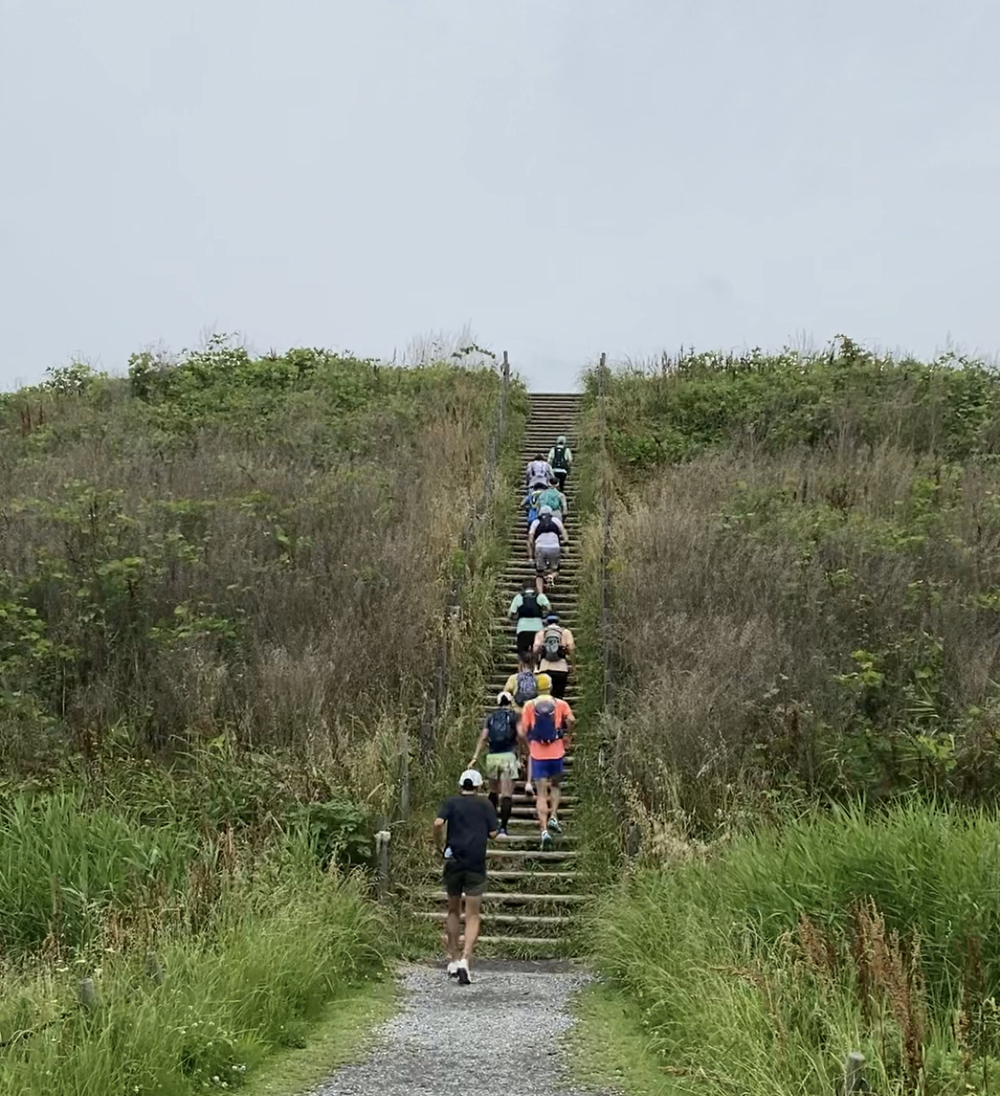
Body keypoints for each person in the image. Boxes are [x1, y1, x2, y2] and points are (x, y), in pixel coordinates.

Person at [434, 769, 498, 985]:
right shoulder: (485, 805)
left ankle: (452, 958)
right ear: (479, 786)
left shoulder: (451, 802)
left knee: (453, 909)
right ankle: (465, 959)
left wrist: (439, 846)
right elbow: (493, 834)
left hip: (454, 862)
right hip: (475, 863)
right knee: (472, 915)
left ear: (460, 784)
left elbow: (437, 823)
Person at [519, 674, 574, 849]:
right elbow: (571, 720)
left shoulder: (529, 706)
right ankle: (554, 816)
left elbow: (521, 731)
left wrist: (526, 747)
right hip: (556, 752)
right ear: (550, 687)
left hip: (537, 754)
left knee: (541, 793)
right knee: (556, 786)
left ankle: (543, 830)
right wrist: (568, 737)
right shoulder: (560, 704)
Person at [468, 692, 519, 836]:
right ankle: (503, 827)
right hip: (509, 756)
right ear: (510, 702)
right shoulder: (514, 716)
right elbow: (521, 736)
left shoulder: (490, 717)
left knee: (494, 791)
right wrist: (522, 756)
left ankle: (490, 825)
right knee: (507, 793)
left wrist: (475, 756)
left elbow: (484, 737)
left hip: (492, 756)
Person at [533, 613, 575, 699]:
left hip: (545, 668)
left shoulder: (542, 632)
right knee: (559, 697)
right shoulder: (565, 632)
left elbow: (535, 648)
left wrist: (535, 665)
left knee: (545, 697)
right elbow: (571, 648)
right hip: (561, 669)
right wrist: (573, 665)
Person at [528, 505, 566, 593]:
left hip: (540, 547)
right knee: (555, 569)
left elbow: (530, 539)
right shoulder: (556, 520)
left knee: (539, 572)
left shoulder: (536, 522)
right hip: (554, 547)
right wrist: (566, 542)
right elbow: (563, 532)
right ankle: (551, 576)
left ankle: (540, 593)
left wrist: (532, 552)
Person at [508, 584, 550, 661]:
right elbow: (549, 607)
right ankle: (536, 667)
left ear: (523, 588)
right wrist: (544, 616)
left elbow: (510, 613)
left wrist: (513, 619)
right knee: (537, 651)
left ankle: (522, 669)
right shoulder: (539, 596)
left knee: (522, 653)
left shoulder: (519, 597)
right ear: (534, 588)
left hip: (522, 628)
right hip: (538, 628)